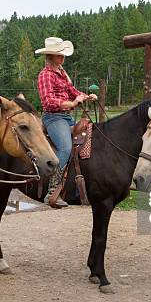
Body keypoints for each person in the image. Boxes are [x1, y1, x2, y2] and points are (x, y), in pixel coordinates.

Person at [36, 37, 96, 206]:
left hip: (66, 118)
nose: (62, 58)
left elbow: (72, 91)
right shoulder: (45, 75)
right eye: (59, 55)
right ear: (50, 56)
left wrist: (85, 96)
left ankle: (81, 184)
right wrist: (71, 103)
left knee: (89, 138)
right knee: (65, 147)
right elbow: (48, 101)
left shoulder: (62, 74)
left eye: (63, 55)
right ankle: (52, 191)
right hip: (53, 117)